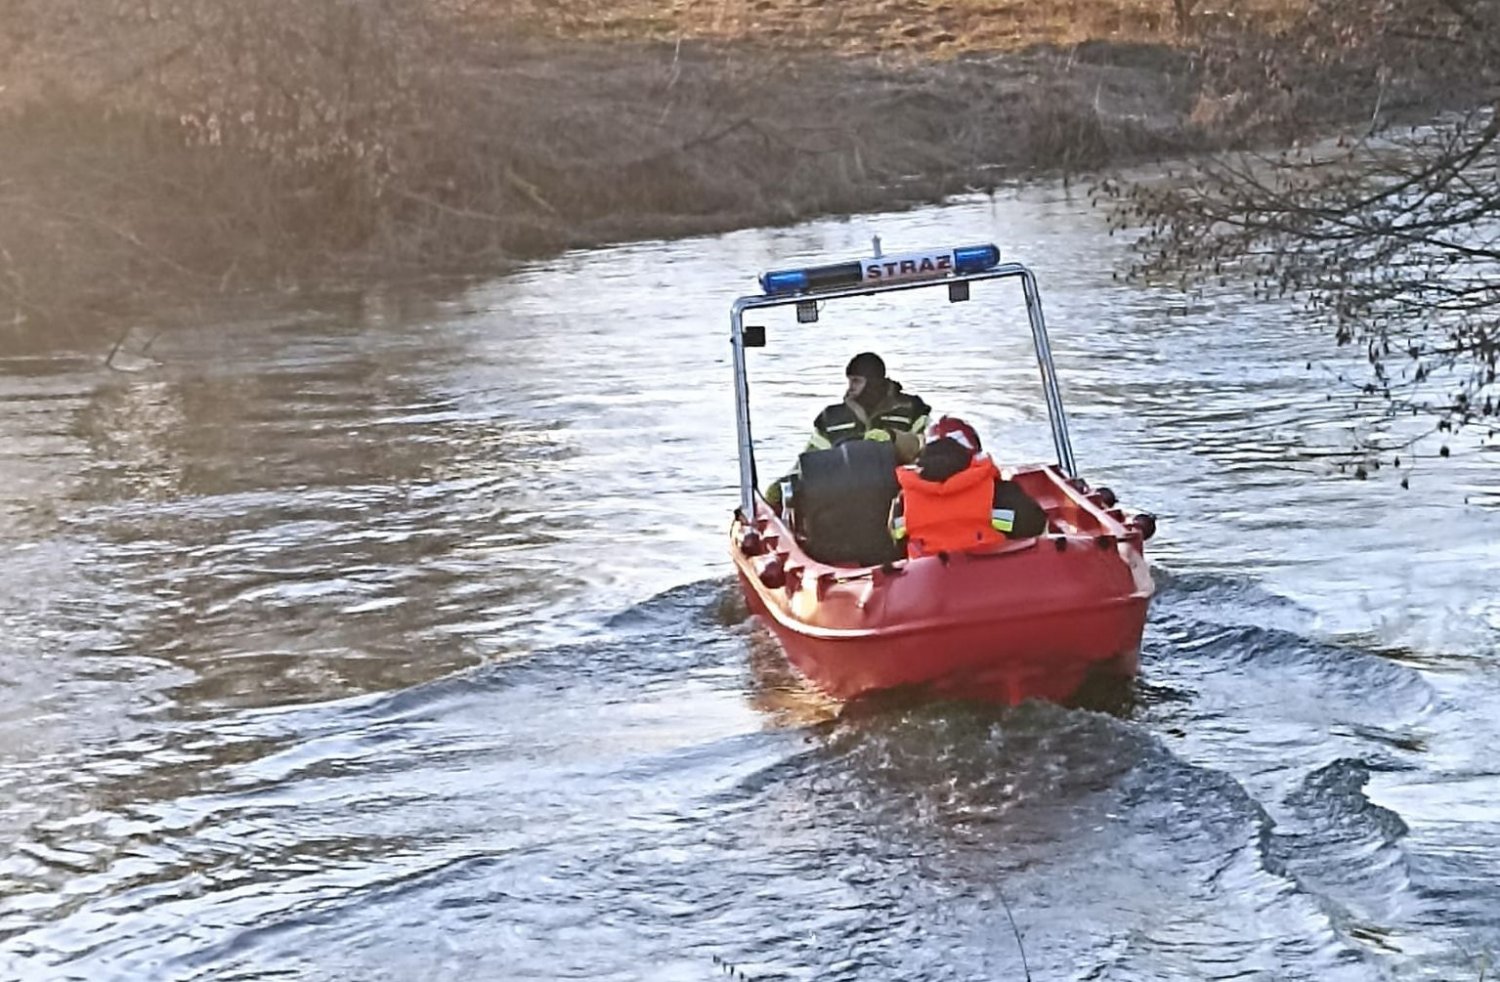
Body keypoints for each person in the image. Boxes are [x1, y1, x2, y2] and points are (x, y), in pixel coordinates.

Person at [765, 352, 931, 509]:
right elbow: (811, 458)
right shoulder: (831, 418)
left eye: (856, 381)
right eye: (849, 381)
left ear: (874, 382)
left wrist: (894, 440)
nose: (850, 388)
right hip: (844, 499)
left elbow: (925, 448)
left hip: (899, 494)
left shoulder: (911, 410)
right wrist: (786, 483)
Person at [889, 416, 1048, 557]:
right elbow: (1033, 524)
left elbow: (897, 539)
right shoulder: (997, 492)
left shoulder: (904, 500)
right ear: (973, 451)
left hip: (927, 585)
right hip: (991, 579)